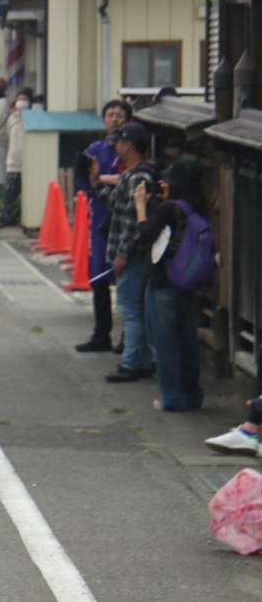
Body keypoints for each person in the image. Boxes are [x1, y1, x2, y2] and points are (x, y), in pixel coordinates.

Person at [133, 157, 206, 411]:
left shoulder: (168, 210)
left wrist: (140, 206)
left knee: (165, 344)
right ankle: (192, 395)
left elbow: (145, 236)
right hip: (187, 282)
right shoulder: (197, 206)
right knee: (186, 342)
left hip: (163, 283)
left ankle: (173, 398)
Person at [90, 121, 158, 383]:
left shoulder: (138, 177)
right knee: (136, 309)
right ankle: (140, 360)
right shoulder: (134, 174)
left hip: (133, 255)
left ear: (128, 144)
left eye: (118, 141)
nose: (114, 145)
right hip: (136, 254)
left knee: (130, 309)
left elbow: (130, 220)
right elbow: (115, 204)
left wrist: (122, 254)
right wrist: (96, 181)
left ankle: (131, 363)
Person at [74, 99, 130, 353]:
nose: (115, 119)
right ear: (103, 120)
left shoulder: (130, 150)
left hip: (125, 220)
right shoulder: (94, 148)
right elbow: (84, 180)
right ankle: (101, 334)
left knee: (127, 279)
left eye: (120, 115)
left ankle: (129, 338)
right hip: (99, 221)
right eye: (110, 115)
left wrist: (100, 179)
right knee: (98, 278)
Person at [0, 87, 33, 228]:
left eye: (25, 99)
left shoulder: (33, 117)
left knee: (28, 195)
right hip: (13, 162)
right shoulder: (12, 118)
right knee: (9, 193)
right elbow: (9, 137)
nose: (21, 102)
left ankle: (25, 219)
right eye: (19, 99)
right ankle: (3, 218)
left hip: (29, 164)